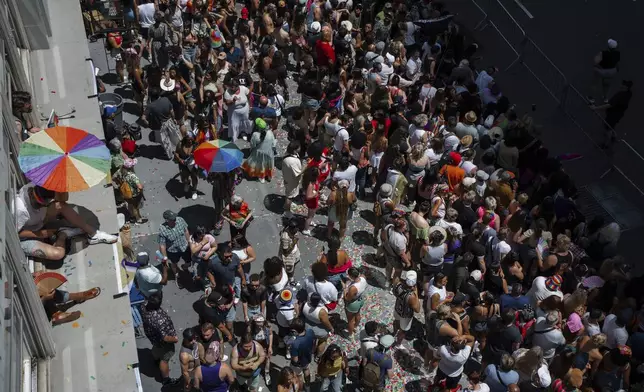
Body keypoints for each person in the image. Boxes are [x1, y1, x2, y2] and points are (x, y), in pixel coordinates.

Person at [15, 183, 118, 262]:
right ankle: (63, 234)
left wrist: (61, 188)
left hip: (37, 222)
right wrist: (39, 234)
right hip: (23, 238)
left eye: (46, 204)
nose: (44, 206)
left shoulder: (37, 186)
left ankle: (93, 234)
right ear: (32, 197)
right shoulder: (20, 209)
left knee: (60, 205)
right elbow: (15, 233)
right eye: (42, 204)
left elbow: (63, 200)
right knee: (58, 254)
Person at [140, 293, 181, 386]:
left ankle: (155, 358)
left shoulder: (143, 305)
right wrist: (175, 339)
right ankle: (166, 379)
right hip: (163, 342)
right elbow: (165, 338)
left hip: (152, 336)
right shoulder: (161, 320)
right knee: (164, 359)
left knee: (156, 348)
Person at [590, 79, 633, 148]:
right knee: (612, 125)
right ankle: (613, 136)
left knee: (607, 128)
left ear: (625, 87)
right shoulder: (629, 94)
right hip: (619, 114)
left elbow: (609, 105)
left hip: (613, 114)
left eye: (623, 84)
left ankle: (606, 144)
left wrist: (595, 108)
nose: (621, 85)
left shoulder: (619, 96)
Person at [158, 210, 191, 288]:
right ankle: (177, 276)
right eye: (173, 219)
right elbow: (162, 245)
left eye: (175, 218)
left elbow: (186, 231)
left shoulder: (180, 220)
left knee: (189, 261)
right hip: (173, 251)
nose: (175, 220)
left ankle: (185, 267)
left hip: (185, 247)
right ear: (167, 220)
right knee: (174, 264)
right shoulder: (162, 229)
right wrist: (164, 258)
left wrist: (189, 242)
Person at [393, 270, 421, 348]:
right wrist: (416, 294)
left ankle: (394, 333)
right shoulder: (411, 296)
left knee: (396, 322)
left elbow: (395, 293)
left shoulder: (398, 285)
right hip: (405, 316)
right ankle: (398, 343)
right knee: (403, 330)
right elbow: (417, 310)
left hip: (397, 309)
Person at [242, 118, 277, 183]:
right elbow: (273, 143)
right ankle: (269, 177)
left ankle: (262, 178)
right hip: (269, 152)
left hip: (259, 153)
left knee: (260, 165)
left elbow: (252, 144)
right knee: (268, 164)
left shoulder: (255, 134)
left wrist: (251, 151)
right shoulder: (270, 132)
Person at [289, 318, 315, 390]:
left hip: (298, 364)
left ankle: (300, 389)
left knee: (299, 376)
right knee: (306, 370)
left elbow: (295, 360)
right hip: (307, 358)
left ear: (294, 331)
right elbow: (314, 343)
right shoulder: (310, 332)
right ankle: (307, 386)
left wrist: (290, 350)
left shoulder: (295, 343)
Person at [248, 314, 273, 386]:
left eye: (260, 325)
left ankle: (267, 374)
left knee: (267, 359)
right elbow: (248, 338)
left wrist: (270, 346)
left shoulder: (268, 326)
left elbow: (271, 334)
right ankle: (256, 372)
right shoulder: (250, 328)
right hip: (255, 345)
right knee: (255, 359)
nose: (259, 327)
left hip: (265, 344)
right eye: (257, 325)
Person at [344, 267, 368, 337]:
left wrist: (345, 289)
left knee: (350, 320)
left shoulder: (353, 288)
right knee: (357, 314)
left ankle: (350, 334)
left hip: (353, 304)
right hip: (360, 300)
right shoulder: (363, 277)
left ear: (351, 276)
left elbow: (347, 298)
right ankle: (355, 326)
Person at [282, 141, 304, 215]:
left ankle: (286, 206)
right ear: (295, 150)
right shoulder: (293, 161)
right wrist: (306, 167)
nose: (300, 148)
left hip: (287, 177)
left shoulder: (287, 154)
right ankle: (287, 210)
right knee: (290, 196)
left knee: (288, 192)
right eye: (299, 147)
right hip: (292, 180)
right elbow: (298, 173)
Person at [279, 220, 301, 284]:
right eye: (295, 230)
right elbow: (285, 251)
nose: (297, 231)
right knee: (289, 269)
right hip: (288, 255)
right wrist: (294, 243)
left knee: (295, 262)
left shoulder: (294, 231)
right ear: (291, 229)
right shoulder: (285, 237)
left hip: (295, 251)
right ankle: (290, 279)